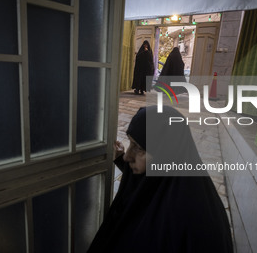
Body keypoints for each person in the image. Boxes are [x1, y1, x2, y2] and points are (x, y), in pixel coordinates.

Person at [88, 106, 233, 253]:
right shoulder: (168, 176)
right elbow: (143, 183)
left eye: (139, 148)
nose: (127, 156)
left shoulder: (195, 221)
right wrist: (120, 159)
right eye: (130, 142)